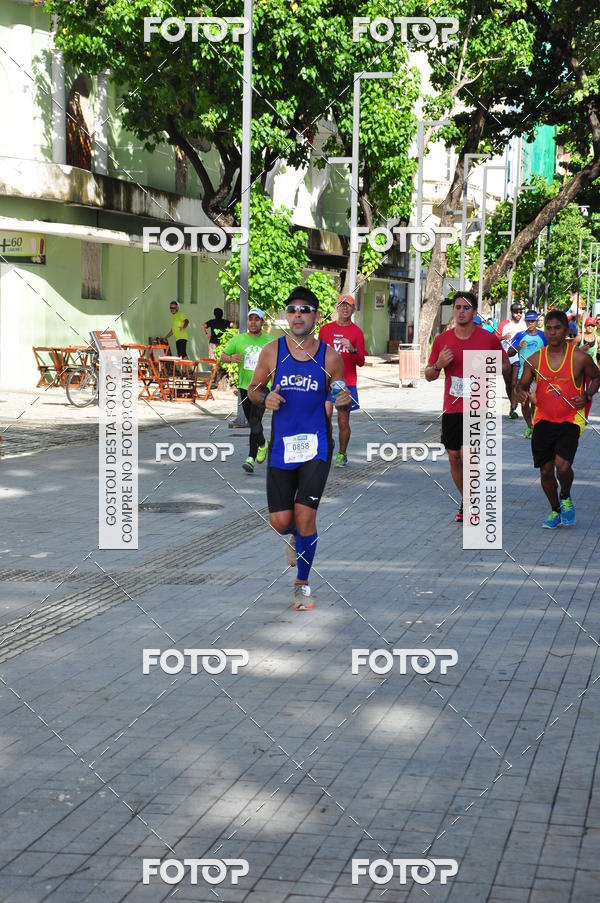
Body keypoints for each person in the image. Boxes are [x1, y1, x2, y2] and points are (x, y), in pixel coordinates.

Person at [248, 286, 351, 611]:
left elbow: (342, 394)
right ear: (286, 315)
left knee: (306, 518)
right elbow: (253, 389)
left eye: (305, 310)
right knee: (281, 522)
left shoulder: (329, 357)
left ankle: (302, 584)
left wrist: (345, 399)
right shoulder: (272, 352)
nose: (297, 315)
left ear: (316, 316)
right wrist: (266, 398)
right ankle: (297, 536)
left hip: (316, 447)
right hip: (281, 449)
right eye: (292, 309)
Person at [425, 290, 510, 523]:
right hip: (452, 408)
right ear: (453, 311)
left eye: (466, 308)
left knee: (468, 454)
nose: (461, 311)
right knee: (454, 456)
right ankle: (469, 499)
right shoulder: (443, 340)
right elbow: (429, 375)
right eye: (458, 308)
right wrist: (439, 364)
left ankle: (471, 503)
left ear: (474, 311)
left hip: (477, 407)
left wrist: (486, 367)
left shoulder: (488, 338)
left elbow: (505, 365)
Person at [516, 309, 600, 528]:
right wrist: (522, 393)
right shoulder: (534, 360)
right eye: (549, 328)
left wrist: (587, 395)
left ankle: (566, 496)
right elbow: (521, 385)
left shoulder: (579, 357)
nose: (552, 333)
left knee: (562, 466)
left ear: (566, 332)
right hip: (543, 419)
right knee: (545, 470)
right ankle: (555, 510)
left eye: (557, 328)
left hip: (571, 419)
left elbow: (597, 376)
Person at [220, 308, 273, 473]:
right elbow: (222, 355)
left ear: (262, 322)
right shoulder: (239, 340)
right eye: (251, 319)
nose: (253, 322)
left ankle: (250, 457)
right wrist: (230, 358)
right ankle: (263, 444)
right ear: (247, 321)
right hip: (245, 386)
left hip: (263, 387)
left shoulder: (271, 341)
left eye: (257, 319)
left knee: (255, 419)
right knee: (252, 421)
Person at [319, 293, 366, 467]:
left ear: (353, 309)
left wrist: (352, 349)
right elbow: (318, 354)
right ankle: (328, 444)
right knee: (324, 417)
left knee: (343, 420)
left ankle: (342, 453)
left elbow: (361, 361)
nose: (345, 308)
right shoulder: (325, 330)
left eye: (349, 305)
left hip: (347, 383)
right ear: (337, 308)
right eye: (342, 305)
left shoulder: (356, 332)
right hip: (326, 382)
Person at [512, 310, 547, 439]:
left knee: (534, 400)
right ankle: (530, 426)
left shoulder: (543, 336)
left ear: (537, 321)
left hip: (539, 374)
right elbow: (509, 353)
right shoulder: (519, 335)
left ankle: (535, 424)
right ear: (525, 321)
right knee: (524, 402)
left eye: (533, 320)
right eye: (528, 320)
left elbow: (552, 352)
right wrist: (518, 347)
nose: (530, 323)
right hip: (523, 373)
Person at [500, 302, 524, 419]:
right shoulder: (506, 326)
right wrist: (503, 338)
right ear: (511, 312)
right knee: (508, 384)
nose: (518, 314)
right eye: (516, 312)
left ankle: (513, 408)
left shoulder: (524, 326)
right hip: (506, 358)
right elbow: (497, 340)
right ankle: (512, 402)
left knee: (514, 383)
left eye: (520, 312)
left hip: (518, 358)